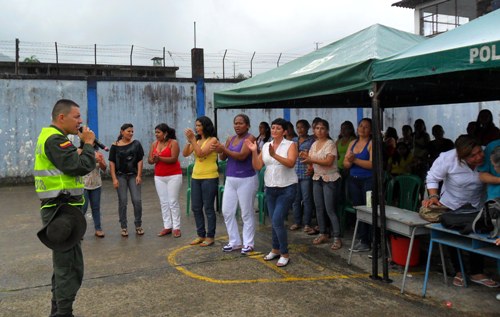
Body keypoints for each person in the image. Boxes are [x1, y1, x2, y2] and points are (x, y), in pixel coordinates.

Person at [34, 99, 96, 317]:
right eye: (77, 116)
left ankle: (58, 310)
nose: (80, 121)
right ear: (62, 117)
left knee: (64, 264)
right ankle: (63, 313)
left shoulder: (53, 138)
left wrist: (81, 149)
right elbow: (77, 167)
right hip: (61, 210)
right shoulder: (55, 140)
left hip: (63, 209)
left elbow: (67, 164)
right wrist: (88, 145)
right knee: (69, 267)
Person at [422, 135, 498, 288]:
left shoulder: (489, 154)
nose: (478, 157)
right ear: (461, 157)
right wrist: (433, 196)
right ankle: (459, 270)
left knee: (478, 233)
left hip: (478, 204)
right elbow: (432, 177)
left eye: (479, 152)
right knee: (454, 237)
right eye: (473, 156)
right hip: (453, 204)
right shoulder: (448, 158)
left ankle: (477, 272)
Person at [245, 118, 298, 267]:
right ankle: (275, 249)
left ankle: (285, 253)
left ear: (285, 131)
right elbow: (257, 166)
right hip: (270, 188)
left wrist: (275, 155)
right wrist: (254, 152)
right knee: (274, 221)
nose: (274, 130)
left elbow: (291, 163)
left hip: (287, 187)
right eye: (273, 128)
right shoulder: (267, 145)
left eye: (278, 128)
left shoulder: (290, 145)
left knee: (277, 220)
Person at [214, 114, 258, 254]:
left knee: (246, 213)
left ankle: (248, 243)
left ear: (247, 125)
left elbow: (241, 156)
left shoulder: (250, 138)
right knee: (227, 211)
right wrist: (220, 149)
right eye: (235, 123)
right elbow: (222, 157)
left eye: (240, 123)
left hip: (246, 179)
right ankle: (235, 241)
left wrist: (224, 148)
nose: (237, 126)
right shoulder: (230, 139)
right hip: (231, 179)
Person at [301, 118, 342, 250]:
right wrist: (309, 165)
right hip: (317, 178)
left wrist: (311, 159)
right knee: (319, 207)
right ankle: (323, 233)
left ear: (327, 130)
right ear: (313, 130)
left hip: (329, 178)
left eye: (322, 128)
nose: (319, 131)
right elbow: (313, 163)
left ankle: (337, 237)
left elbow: (329, 162)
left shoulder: (330, 144)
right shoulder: (314, 144)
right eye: (317, 128)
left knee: (330, 209)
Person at [182, 116, 219, 247]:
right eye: (196, 125)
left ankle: (210, 236)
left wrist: (193, 140)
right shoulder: (196, 140)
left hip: (209, 177)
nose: (196, 128)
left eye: (199, 125)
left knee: (208, 208)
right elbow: (185, 154)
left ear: (205, 126)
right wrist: (189, 141)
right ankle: (200, 234)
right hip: (196, 177)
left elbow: (201, 153)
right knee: (196, 207)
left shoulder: (213, 140)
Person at [109, 123, 145, 237]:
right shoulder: (114, 146)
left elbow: (139, 160)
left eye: (132, 131)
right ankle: (123, 227)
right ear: (122, 131)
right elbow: (112, 163)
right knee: (123, 201)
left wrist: (139, 175)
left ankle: (138, 225)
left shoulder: (136, 144)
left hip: (133, 176)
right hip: (120, 176)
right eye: (128, 131)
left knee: (137, 200)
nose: (131, 133)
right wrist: (114, 178)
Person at [148, 123, 183, 238]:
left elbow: (173, 159)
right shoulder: (154, 144)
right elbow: (149, 160)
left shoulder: (173, 143)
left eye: (158, 132)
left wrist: (159, 158)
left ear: (165, 133)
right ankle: (167, 226)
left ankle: (176, 227)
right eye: (155, 132)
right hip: (159, 176)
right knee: (164, 202)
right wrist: (153, 160)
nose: (156, 134)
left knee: (173, 202)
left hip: (174, 176)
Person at [344, 118, 373, 252]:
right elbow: (346, 164)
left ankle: (372, 239)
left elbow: (372, 164)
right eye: (361, 126)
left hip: (368, 181)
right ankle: (363, 239)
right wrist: (350, 161)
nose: (362, 128)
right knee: (359, 209)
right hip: (354, 180)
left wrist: (355, 159)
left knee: (369, 209)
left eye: (366, 127)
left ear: (371, 130)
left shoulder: (371, 143)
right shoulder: (352, 143)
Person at [289, 119, 315, 233]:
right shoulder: (294, 140)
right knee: (295, 200)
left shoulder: (312, 141)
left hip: (306, 173)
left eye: (302, 127)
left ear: (307, 128)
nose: (300, 130)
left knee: (307, 199)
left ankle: (307, 223)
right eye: (298, 127)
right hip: (294, 173)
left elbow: (314, 156)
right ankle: (297, 222)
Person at [82, 145, 107, 238]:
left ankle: (98, 229)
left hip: (96, 184)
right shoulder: (80, 153)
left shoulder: (98, 154)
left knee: (96, 208)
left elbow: (104, 168)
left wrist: (100, 161)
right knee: (82, 209)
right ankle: (79, 231)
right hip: (83, 185)